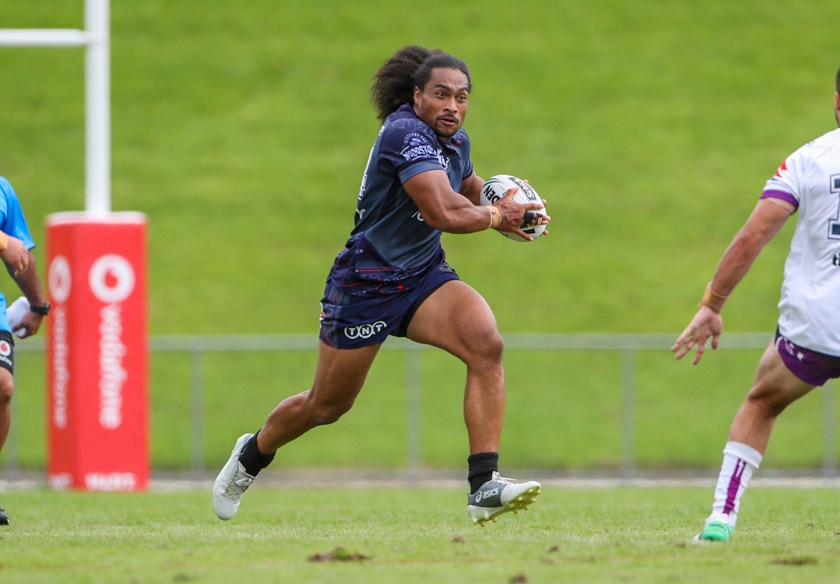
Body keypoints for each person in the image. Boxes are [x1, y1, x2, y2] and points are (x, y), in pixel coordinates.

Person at [212, 45, 549, 525]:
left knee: (485, 344)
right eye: (441, 94)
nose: (453, 105)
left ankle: (484, 487)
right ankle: (251, 456)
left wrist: (511, 202)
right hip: (366, 284)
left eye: (462, 96)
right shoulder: (404, 133)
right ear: (416, 96)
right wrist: (498, 215)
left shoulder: (454, 140)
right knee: (326, 405)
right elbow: (442, 211)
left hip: (422, 276)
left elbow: (466, 185)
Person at [671, 68, 840, 542]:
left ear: (837, 100)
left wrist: (712, 303)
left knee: (762, 404)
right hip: (819, 321)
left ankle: (722, 518)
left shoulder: (809, 159)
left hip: (819, 326)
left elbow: (752, 237)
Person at [0, 176, 50, 526]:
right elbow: (9, 244)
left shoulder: (2, 189)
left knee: (2, 387)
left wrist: (38, 304)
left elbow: (20, 253)